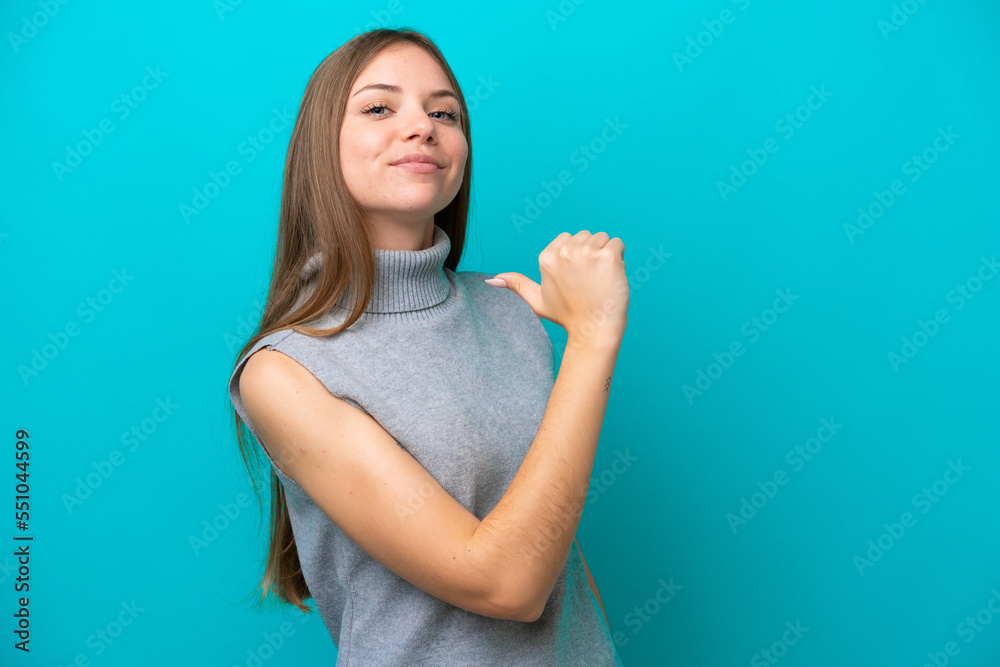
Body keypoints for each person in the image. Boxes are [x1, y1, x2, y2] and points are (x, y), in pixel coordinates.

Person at [228, 27, 629, 665]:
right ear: (319, 147)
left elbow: (557, 557)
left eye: (444, 112)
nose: (423, 127)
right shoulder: (284, 373)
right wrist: (592, 338)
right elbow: (507, 584)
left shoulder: (509, 312)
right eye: (380, 107)